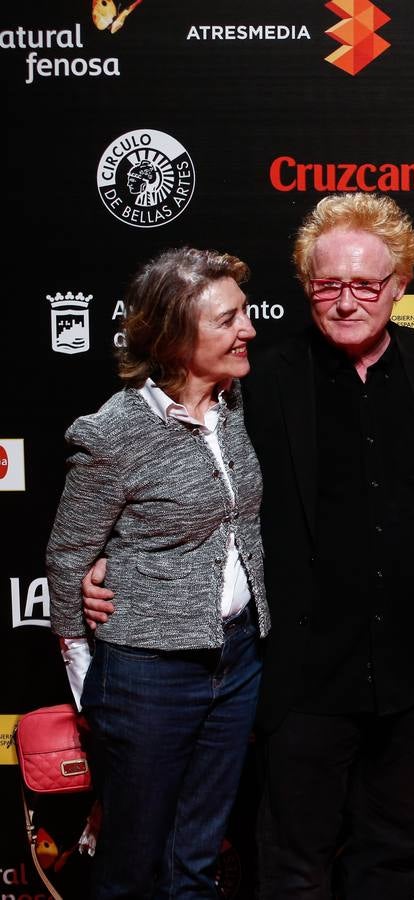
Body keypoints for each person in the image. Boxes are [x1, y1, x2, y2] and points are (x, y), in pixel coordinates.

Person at [82, 193, 414, 898]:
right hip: (302, 673)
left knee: (391, 859)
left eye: (366, 285)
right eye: (329, 284)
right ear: (306, 286)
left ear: (400, 284)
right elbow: (177, 457)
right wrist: (123, 555)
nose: (347, 301)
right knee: (294, 865)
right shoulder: (259, 378)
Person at [46, 247, 269, 899]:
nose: (248, 330)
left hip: (238, 660)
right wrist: (91, 688)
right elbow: (67, 558)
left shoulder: (235, 403)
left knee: (197, 855)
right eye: (228, 320)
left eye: (246, 314)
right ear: (175, 339)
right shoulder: (114, 432)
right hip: (146, 674)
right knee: (132, 862)